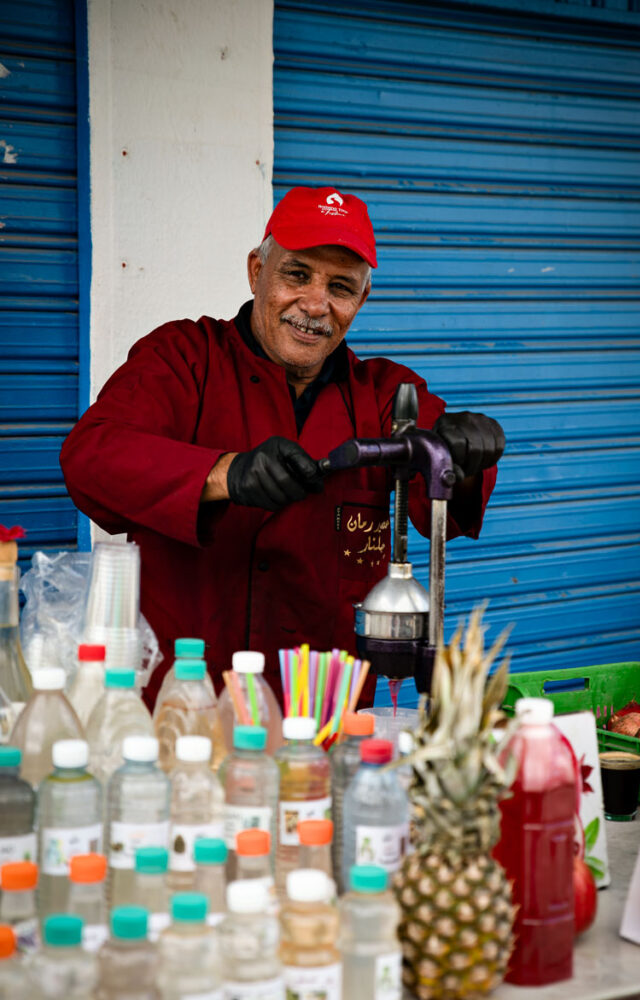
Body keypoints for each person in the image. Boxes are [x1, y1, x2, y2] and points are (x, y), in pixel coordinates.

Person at [60, 186, 505, 710]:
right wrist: (225, 474)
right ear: (256, 272)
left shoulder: (386, 394)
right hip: (185, 702)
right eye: (297, 275)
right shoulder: (182, 358)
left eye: (340, 287)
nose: (315, 305)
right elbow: (92, 455)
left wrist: (465, 453)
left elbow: (438, 479)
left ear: (361, 301)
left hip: (323, 713)